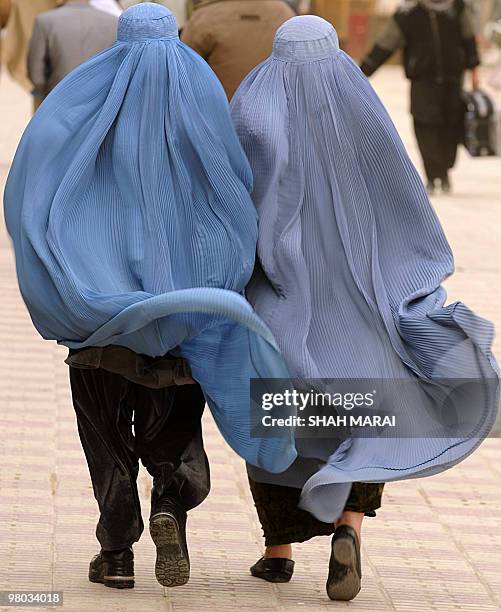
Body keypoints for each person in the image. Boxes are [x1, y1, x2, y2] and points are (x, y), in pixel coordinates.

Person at [5, 3, 296, 590]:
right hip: (186, 308)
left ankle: (115, 554)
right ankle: (169, 501)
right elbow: (235, 192)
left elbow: (30, 186)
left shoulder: (89, 101)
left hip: (99, 314)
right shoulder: (201, 96)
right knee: (175, 422)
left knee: (104, 428)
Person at [231, 15, 498, 601]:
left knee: (282, 421)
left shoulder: (253, 106)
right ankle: (346, 530)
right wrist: (412, 281)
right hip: (361, 303)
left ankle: (277, 554)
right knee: (364, 415)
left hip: (281, 300)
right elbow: (401, 197)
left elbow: (232, 201)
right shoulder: (359, 108)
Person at [360, 0, 481, 194]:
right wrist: (362, 71)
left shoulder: (458, 7)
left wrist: (474, 68)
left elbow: (468, 39)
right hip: (422, 81)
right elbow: (386, 44)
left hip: (452, 80)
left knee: (451, 126)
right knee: (425, 127)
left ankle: (444, 170)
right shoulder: (408, 13)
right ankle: (433, 175)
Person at [181, 0, 294, 99]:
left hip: (219, 116)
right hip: (275, 116)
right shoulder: (285, 13)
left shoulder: (202, 18)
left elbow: (181, 75)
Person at [27, 0, 118, 108]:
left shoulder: (44, 21)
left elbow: (36, 74)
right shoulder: (113, 21)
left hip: (56, 101)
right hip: (99, 103)